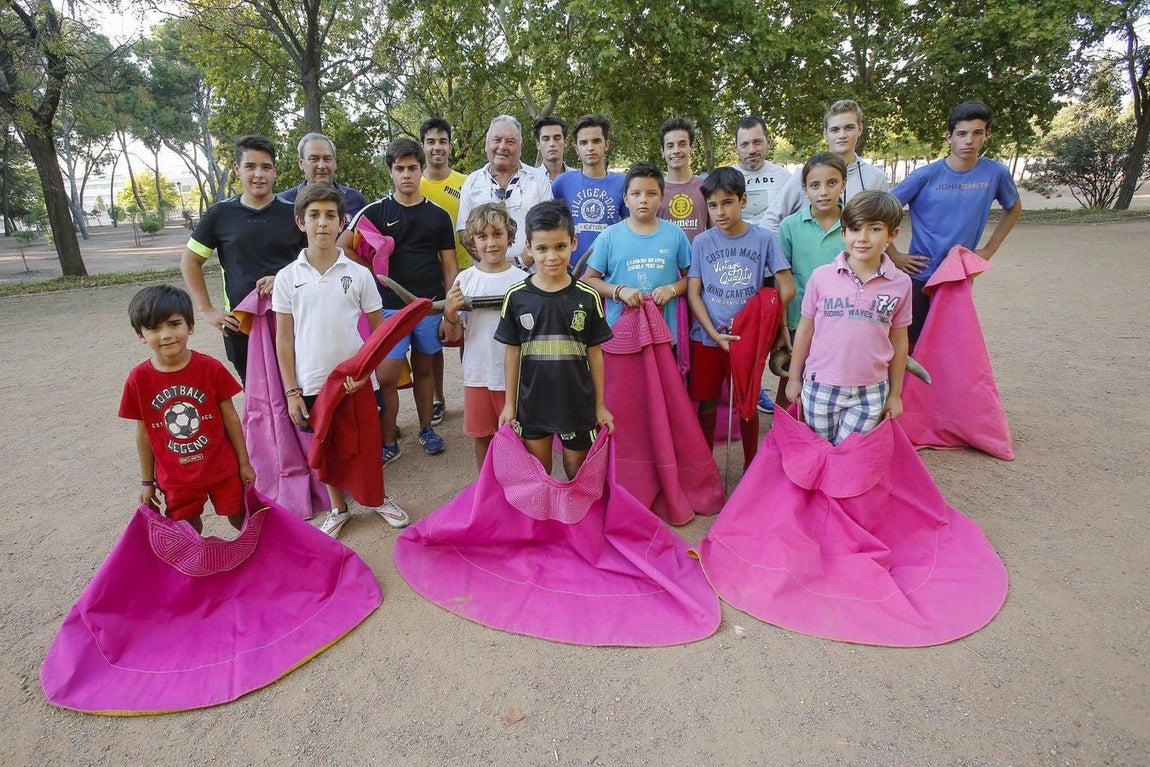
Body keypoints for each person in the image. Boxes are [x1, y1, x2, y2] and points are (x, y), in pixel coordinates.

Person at [273, 184, 410, 538]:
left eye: (330, 215)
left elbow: (380, 333)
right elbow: (284, 338)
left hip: (358, 381)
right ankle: (338, 508)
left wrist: (367, 373)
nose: (322, 223)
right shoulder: (288, 278)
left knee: (367, 444)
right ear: (300, 221)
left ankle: (377, 499)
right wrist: (291, 391)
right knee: (328, 447)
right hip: (314, 382)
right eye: (314, 215)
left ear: (342, 221)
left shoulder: (359, 274)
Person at [339, 138, 457, 463]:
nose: (406, 174)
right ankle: (388, 440)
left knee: (424, 369)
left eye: (412, 168)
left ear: (421, 170)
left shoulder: (438, 215)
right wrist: (373, 271)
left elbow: (449, 265)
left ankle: (425, 429)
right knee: (388, 375)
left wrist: (450, 310)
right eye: (399, 168)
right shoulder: (375, 211)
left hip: (429, 305)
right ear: (390, 171)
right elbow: (342, 246)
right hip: (388, 306)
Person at [119, 285, 255, 535]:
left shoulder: (210, 369)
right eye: (154, 328)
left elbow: (232, 420)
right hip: (176, 479)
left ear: (190, 326)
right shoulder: (139, 380)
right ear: (140, 334)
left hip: (222, 469)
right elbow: (144, 434)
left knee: (241, 519)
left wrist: (244, 464)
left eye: (174, 324)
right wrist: (147, 482)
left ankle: (257, 562)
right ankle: (199, 568)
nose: (166, 334)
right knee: (187, 530)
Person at [496, 200, 614, 479]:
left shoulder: (588, 296)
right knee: (539, 474)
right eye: (542, 248)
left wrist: (600, 405)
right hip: (532, 404)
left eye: (560, 246)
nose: (552, 256)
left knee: (578, 471)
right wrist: (509, 404)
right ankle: (545, 523)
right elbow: (512, 353)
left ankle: (578, 522)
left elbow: (595, 354)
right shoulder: (516, 297)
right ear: (529, 248)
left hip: (577, 405)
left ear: (573, 242)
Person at [687, 167, 795, 470]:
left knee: (747, 404)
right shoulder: (702, 242)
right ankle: (706, 467)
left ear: (743, 200)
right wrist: (714, 332)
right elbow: (695, 293)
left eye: (727, 202)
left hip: (747, 341)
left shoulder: (763, 239)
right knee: (707, 402)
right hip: (707, 338)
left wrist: (762, 320)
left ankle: (751, 467)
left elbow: (786, 288)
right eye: (713, 205)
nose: (720, 212)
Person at [888, 100, 1022, 343]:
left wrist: (989, 249)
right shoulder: (925, 176)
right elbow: (880, 211)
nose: (968, 140)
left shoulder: (996, 174)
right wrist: (894, 255)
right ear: (949, 137)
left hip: (959, 276)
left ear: (987, 134)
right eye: (961, 134)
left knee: (948, 343)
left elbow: (1013, 208)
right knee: (911, 342)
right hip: (921, 275)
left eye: (977, 133)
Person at [785, 191, 912, 445]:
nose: (862, 238)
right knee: (818, 453)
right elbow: (805, 330)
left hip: (871, 392)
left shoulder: (901, 283)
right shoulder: (821, 277)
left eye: (874, 229)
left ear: (892, 234)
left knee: (850, 459)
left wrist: (895, 394)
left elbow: (899, 341)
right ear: (843, 233)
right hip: (820, 386)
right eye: (854, 229)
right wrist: (794, 378)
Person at [180, 135, 305, 383]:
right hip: (241, 325)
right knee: (258, 397)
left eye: (266, 167)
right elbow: (189, 261)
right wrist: (207, 310)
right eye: (250, 166)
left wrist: (282, 278)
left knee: (299, 394)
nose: (258, 174)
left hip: (294, 320)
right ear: (238, 169)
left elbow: (315, 260)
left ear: (275, 171)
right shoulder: (220, 215)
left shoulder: (295, 213)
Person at [441, 204, 528, 469]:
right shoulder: (464, 280)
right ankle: (486, 489)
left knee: (517, 438)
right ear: (472, 240)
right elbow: (453, 333)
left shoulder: (524, 281)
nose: (491, 243)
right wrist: (450, 312)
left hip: (514, 375)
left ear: (509, 235)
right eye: (482, 236)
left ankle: (518, 491)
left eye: (497, 234)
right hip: (478, 373)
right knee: (482, 438)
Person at [772, 152, 849, 409]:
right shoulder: (790, 227)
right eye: (815, 185)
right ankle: (784, 435)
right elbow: (782, 282)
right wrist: (782, 326)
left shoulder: (856, 224)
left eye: (832, 183)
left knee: (836, 380)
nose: (823, 192)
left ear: (844, 183)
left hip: (844, 319)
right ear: (804, 188)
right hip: (799, 319)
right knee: (792, 379)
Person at [582, 162, 690, 339]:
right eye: (636, 194)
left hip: (664, 335)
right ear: (625, 198)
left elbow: (691, 279)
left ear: (662, 197)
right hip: (620, 335)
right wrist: (619, 291)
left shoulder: (676, 234)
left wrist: (671, 289)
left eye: (651, 193)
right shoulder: (609, 236)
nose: (643, 199)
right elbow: (589, 280)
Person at [760, 99, 889, 232]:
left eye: (849, 128)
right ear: (825, 134)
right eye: (835, 130)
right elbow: (770, 221)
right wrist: (784, 250)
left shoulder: (875, 177)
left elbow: (884, 225)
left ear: (860, 129)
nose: (842, 135)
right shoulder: (805, 174)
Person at [419, 117, 469, 428]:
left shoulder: (468, 182)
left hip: (466, 269)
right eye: (431, 142)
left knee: (469, 335)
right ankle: (439, 399)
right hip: (428, 275)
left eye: (442, 141)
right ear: (423, 145)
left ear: (450, 146)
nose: (437, 147)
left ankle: (474, 393)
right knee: (433, 340)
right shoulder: (413, 181)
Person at [457, 115, 554, 268]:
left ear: (520, 146)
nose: (502, 146)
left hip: (531, 279)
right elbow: (464, 232)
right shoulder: (472, 181)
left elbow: (548, 226)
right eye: (497, 140)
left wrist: (520, 263)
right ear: (486, 144)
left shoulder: (538, 179)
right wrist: (494, 264)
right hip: (486, 279)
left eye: (510, 141)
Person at [551, 113, 627, 270]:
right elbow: (552, 225)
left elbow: (630, 229)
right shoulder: (562, 183)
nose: (590, 147)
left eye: (596, 141)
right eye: (584, 142)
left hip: (609, 270)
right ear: (576, 148)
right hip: (570, 270)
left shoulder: (623, 184)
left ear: (607, 145)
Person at [278, 132, 369, 224]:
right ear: (301, 163)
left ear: (335, 163)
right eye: (314, 159)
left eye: (327, 159)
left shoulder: (355, 199)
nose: (321, 166)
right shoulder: (283, 202)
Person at [658, 117, 708, 243]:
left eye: (682, 144)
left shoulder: (706, 187)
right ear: (662, 151)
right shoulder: (653, 190)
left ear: (691, 147)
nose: (676, 151)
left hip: (698, 261)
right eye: (670, 146)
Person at [731, 116, 791, 220]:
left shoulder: (784, 178)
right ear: (735, 147)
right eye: (744, 144)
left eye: (757, 142)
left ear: (768, 142)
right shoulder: (725, 179)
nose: (752, 150)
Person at [534, 116, 576, 182]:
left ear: (565, 142)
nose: (552, 144)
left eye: (557, 138)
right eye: (546, 139)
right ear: (538, 144)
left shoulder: (579, 179)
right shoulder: (530, 180)